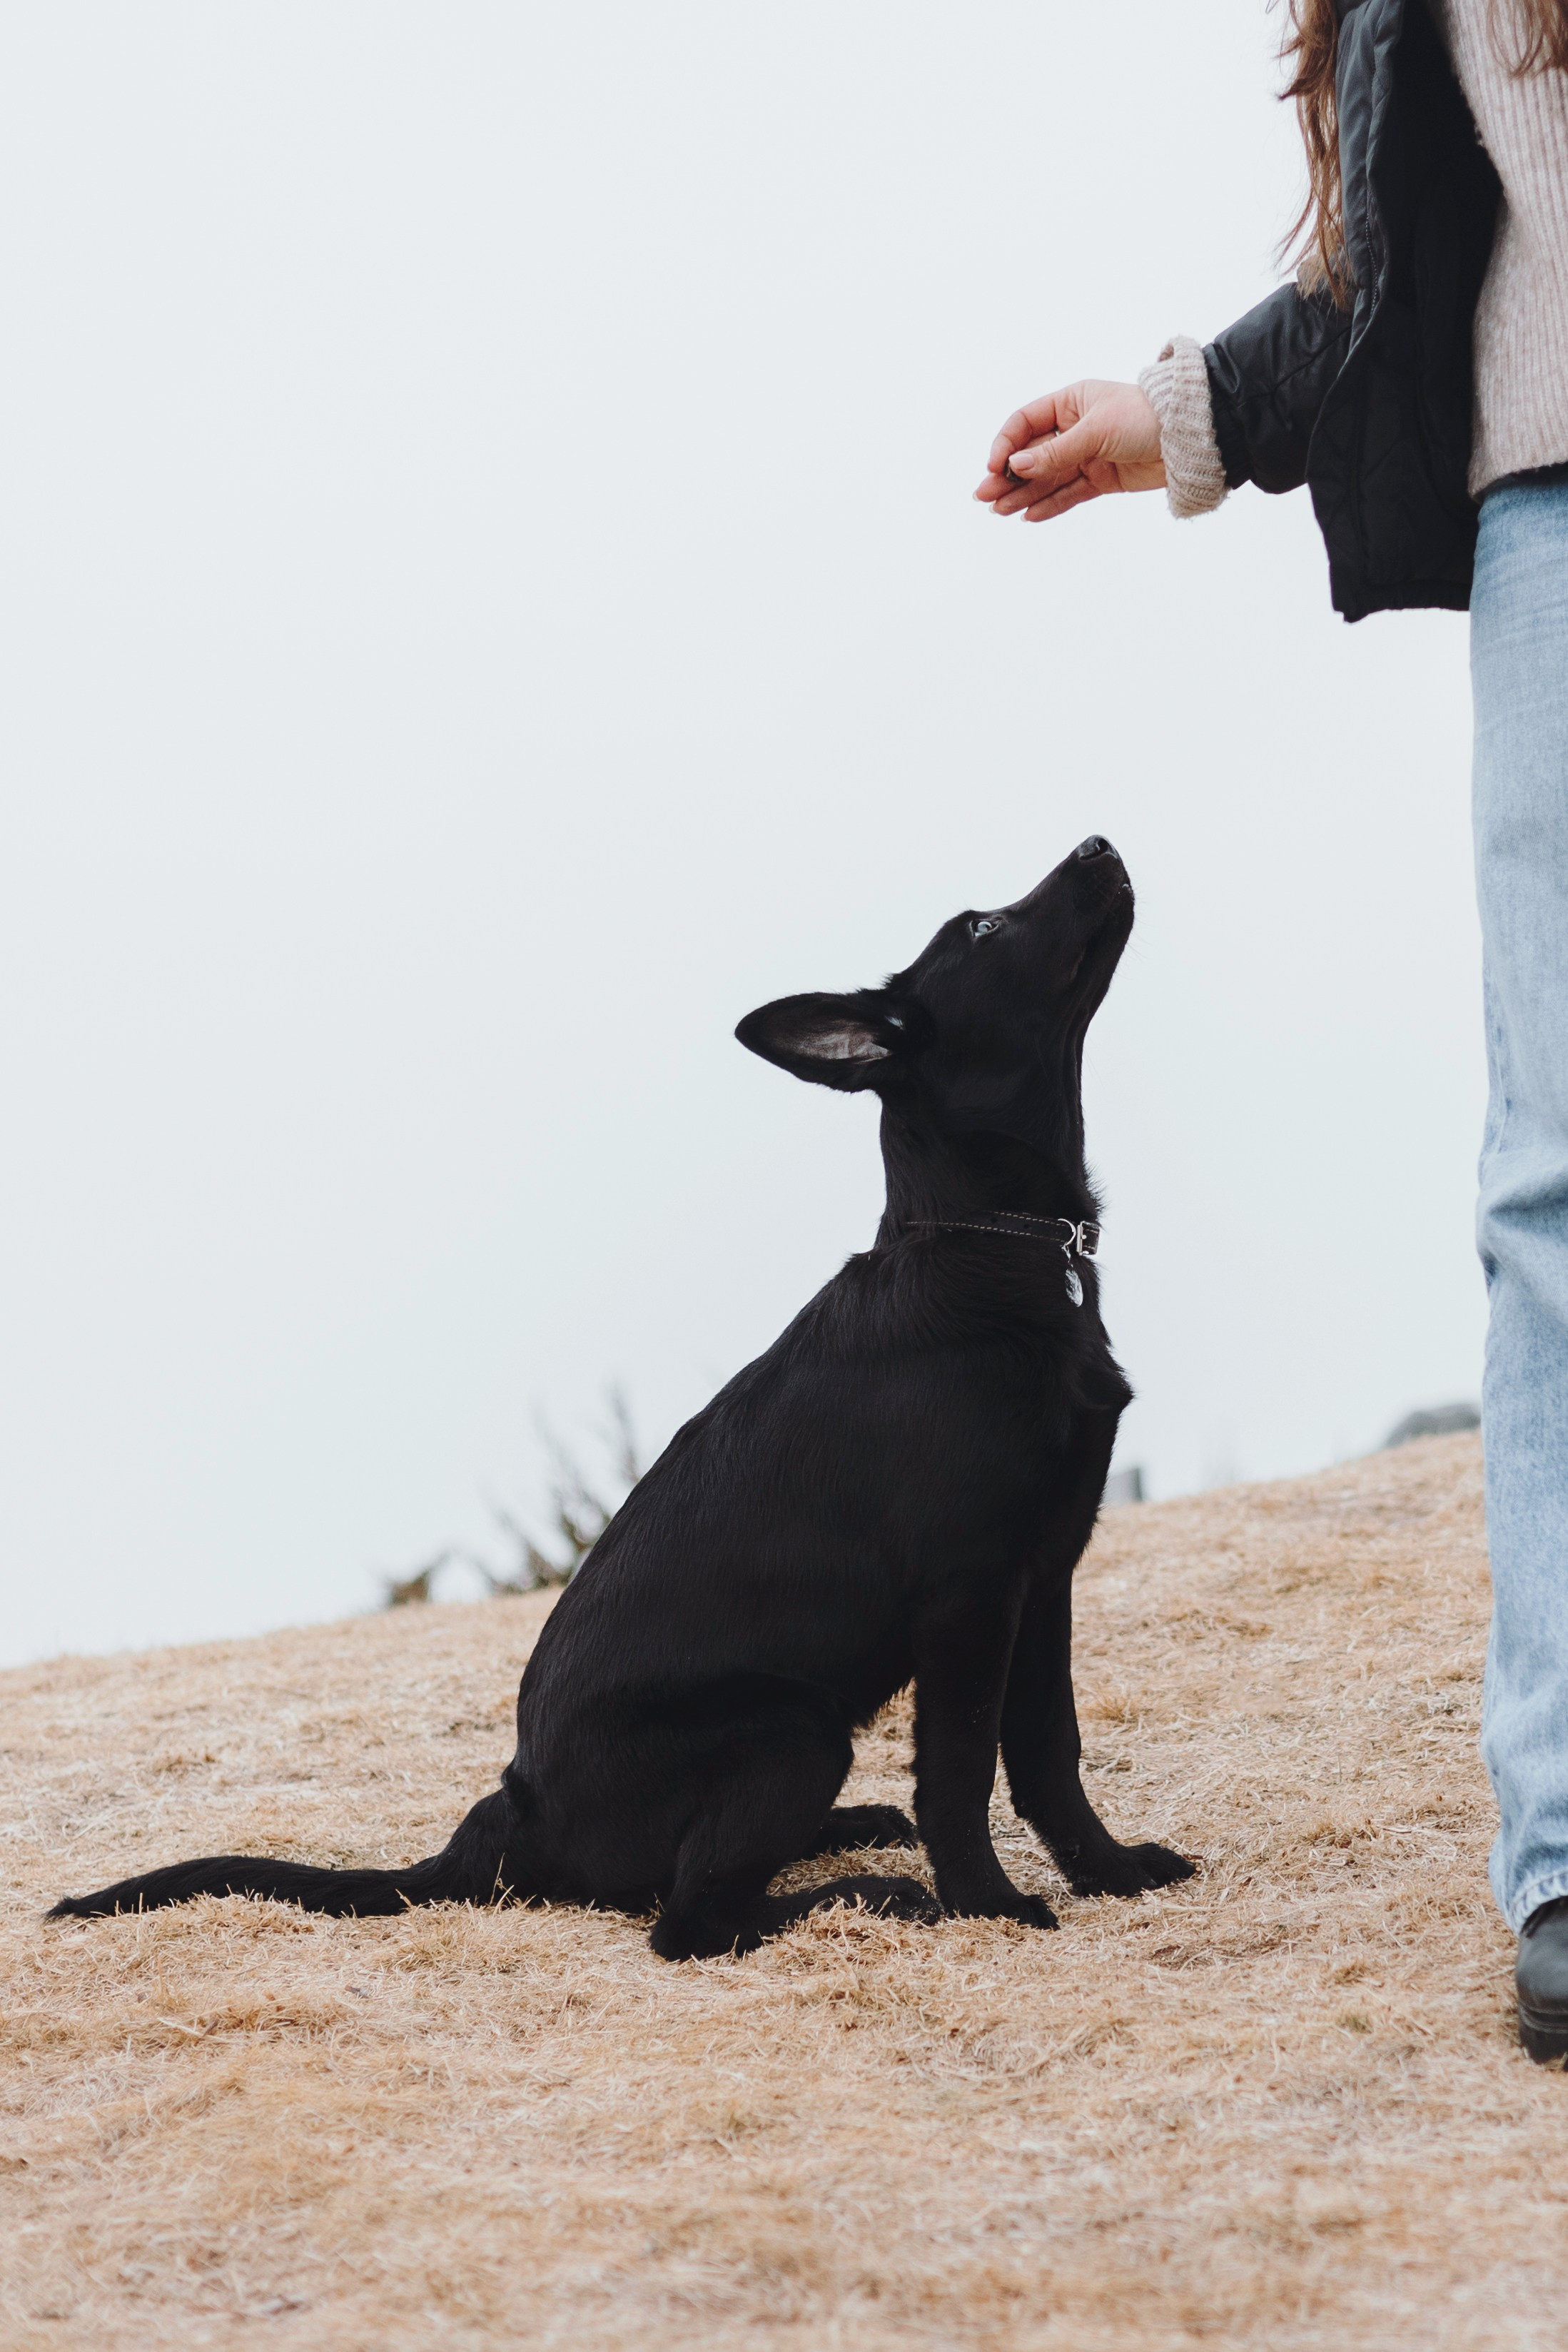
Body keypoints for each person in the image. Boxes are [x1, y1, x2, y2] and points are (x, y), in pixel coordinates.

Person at [974, 0, 1568, 2065]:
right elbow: (1395, 284)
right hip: (1548, 525)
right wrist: (1168, 417)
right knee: (1556, 1185)